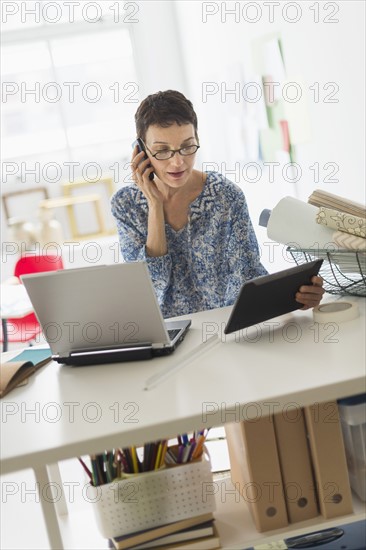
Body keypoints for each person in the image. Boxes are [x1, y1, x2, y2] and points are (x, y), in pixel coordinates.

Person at [111, 90, 324, 318]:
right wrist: (154, 205)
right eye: (163, 150)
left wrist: (293, 297)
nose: (178, 161)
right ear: (141, 151)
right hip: (170, 339)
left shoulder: (225, 195)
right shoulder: (126, 206)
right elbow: (151, 288)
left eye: (187, 146)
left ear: (198, 140)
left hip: (228, 330)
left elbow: (247, 275)